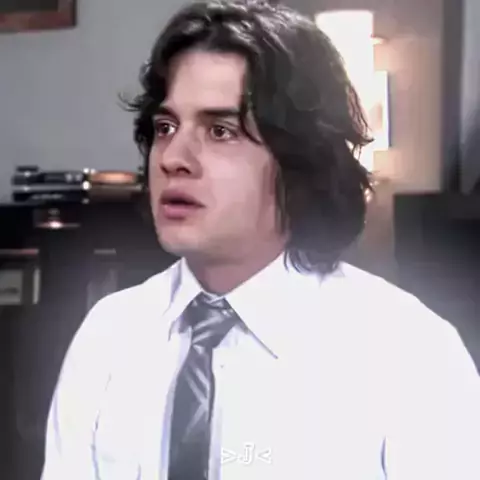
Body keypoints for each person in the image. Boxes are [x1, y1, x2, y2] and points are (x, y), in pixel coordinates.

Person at [41, 0, 480, 479]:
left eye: (220, 131)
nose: (172, 158)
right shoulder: (109, 336)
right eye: (165, 127)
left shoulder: (409, 353)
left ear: (298, 161)